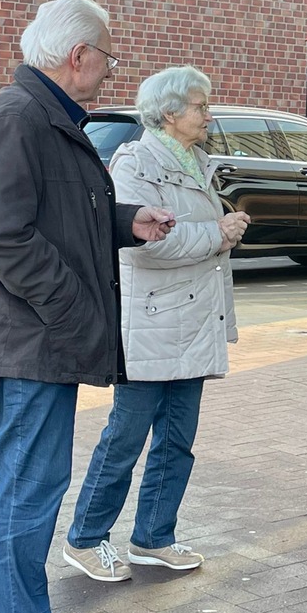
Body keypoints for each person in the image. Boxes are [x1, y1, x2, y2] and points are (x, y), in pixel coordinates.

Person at [0, 0, 174, 613]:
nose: (110, 71)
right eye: (107, 57)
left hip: (26, 338)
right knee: (29, 485)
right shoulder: (21, 116)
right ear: (77, 56)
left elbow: (51, 213)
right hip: (32, 339)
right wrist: (71, 310)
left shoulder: (38, 114)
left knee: (8, 481)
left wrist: (124, 219)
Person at [63, 67, 249, 584]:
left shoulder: (196, 160)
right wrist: (217, 233)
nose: (208, 115)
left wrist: (216, 232)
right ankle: (84, 538)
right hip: (150, 323)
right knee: (126, 436)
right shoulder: (136, 162)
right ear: (169, 112)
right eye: (199, 106)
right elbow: (147, 244)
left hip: (191, 320)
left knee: (176, 438)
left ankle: (154, 537)